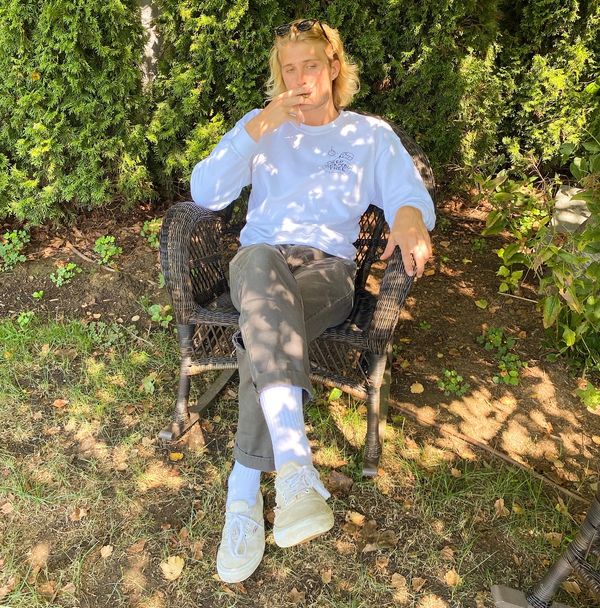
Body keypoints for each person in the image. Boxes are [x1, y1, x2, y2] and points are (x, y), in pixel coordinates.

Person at [190, 18, 435, 583]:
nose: (300, 78)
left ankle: (244, 492)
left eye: (311, 66)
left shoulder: (367, 135)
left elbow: (407, 192)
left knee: (261, 327)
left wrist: (407, 215)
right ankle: (293, 468)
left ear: (333, 68)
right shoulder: (262, 128)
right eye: (289, 69)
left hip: (328, 271)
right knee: (259, 267)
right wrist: (258, 126)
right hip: (259, 262)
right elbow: (204, 193)